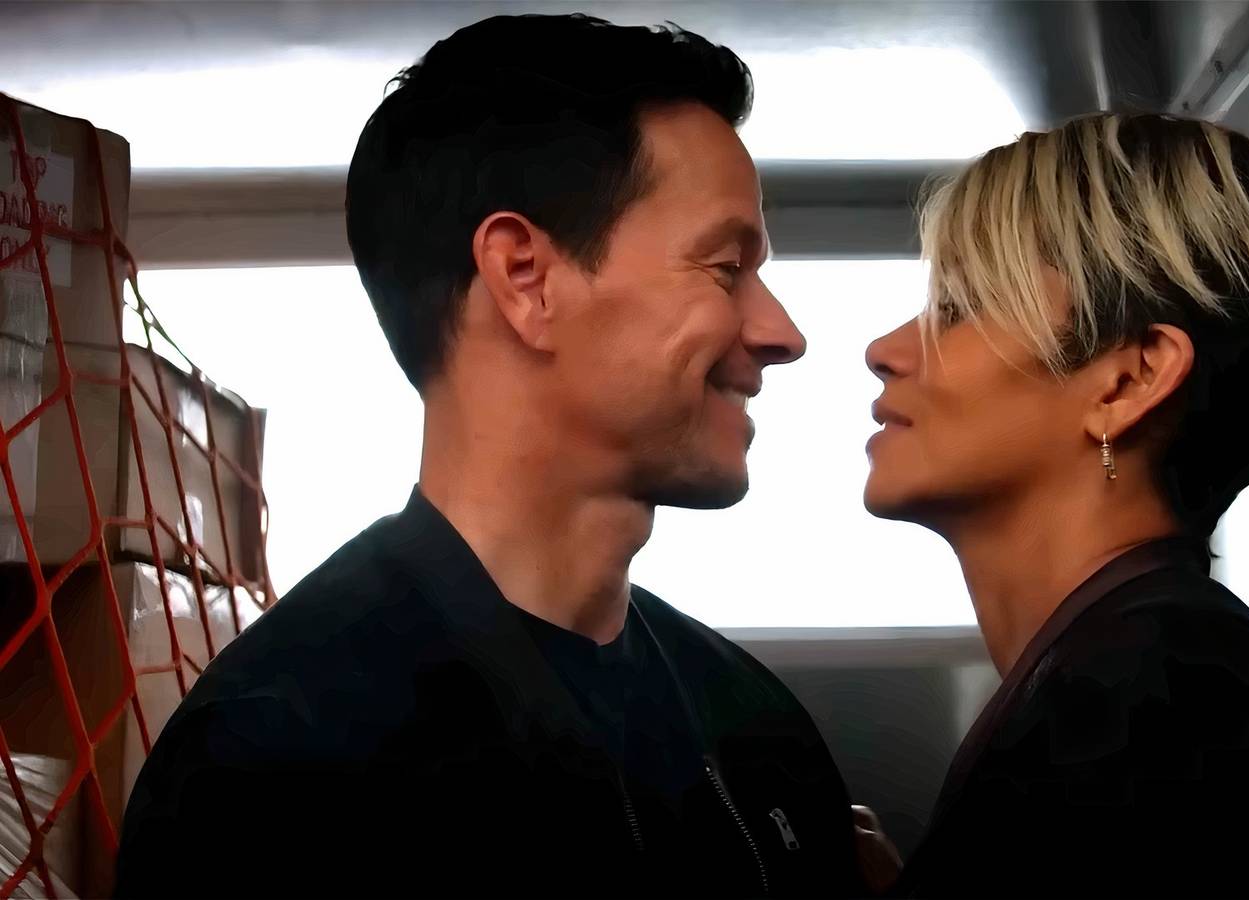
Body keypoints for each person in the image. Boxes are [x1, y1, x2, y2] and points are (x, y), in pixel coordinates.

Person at [116, 14, 867, 898]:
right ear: (525, 279)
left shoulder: (756, 731)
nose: (782, 333)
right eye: (726, 268)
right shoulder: (276, 767)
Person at [863, 113, 1249, 897]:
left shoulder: (1147, 712)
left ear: (1130, 381)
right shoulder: (1162, 684)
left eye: (959, 306)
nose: (884, 350)